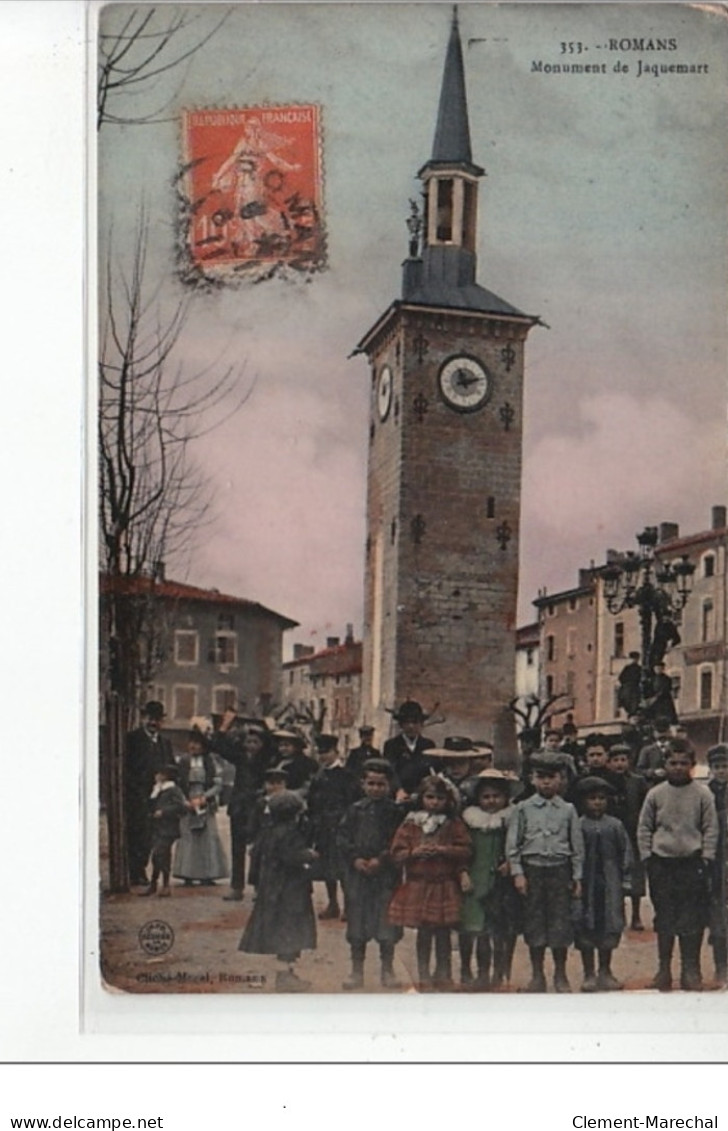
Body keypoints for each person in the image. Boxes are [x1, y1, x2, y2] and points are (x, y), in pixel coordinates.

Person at [637, 738, 719, 991]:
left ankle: (690, 970)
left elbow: (710, 828)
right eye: (673, 762)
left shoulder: (703, 794)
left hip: (691, 864)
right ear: (665, 764)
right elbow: (644, 827)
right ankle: (664, 969)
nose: (678, 767)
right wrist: (647, 857)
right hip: (662, 864)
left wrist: (706, 857)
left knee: (692, 918)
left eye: (684, 763)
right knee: (665, 918)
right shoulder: (656, 794)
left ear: (693, 765)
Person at [506, 753, 584, 993]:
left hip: (559, 871)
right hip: (533, 871)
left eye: (552, 777)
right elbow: (512, 846)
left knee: (560, 924)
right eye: (541, 777)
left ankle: (560, 975)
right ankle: (537, 976)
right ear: (532, 779)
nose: (546, 783)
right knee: (535, 922)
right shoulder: (523, 809)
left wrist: (577, 876)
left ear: (561, 779)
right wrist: (518, 874)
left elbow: (577, 847)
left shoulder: (569, 810)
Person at [388, 775, 472, 990]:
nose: (434, 802)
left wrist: (444, 850)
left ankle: (443, 973)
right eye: (430, 797)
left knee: (443, 931)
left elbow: (466, 850)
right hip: (419, 883)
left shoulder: (453, 823)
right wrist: (413, 852)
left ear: (448, 801)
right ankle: (423, 974)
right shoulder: (411, 822)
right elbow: (396, 852)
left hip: (444, 883)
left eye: (440, 798)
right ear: (421, 798)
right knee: (424, 932)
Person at [238, 790, 319, 992]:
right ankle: (285, 976)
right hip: (290, 891)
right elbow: (292, 857)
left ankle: (286, 974)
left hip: (271, 890)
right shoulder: (290, 833)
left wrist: (256, 883)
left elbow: (256, 859)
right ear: (295, 814)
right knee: (290, 932)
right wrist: (309, 855)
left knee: (281, 932)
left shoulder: (267, 831)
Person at [337, 759, 405, 990]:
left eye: (381, 784)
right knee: (357, 923)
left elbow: (399, 841)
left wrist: (382, 859)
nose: (376, 788)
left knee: (387, 924)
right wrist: (355, 858)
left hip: (385, 876)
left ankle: (388, 969)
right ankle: (356, 971)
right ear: (363, 784)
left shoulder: (395, 812)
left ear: (389, 785)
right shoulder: (354, 810)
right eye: (371, 783)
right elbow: (343, 838)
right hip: (359, 876)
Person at [459, 771, 520, 990]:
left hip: (501, 883)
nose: (491, 801)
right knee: (476, 928)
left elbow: (519, 844)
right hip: (476, 879)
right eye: (486, 796)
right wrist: (463, 871)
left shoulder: (511, 819)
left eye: (497, 796)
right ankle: (478, 973)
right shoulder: (471, 820)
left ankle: (500, 973)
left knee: (500, 930)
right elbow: (462, 849)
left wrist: (512, 862)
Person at [574, 777, 632, 992]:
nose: (597, 803)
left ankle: (605, 971)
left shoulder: (615, 825)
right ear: (583, 802)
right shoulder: (578, 825)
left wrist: (625, 880)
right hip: (585, 882)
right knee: (585, 924)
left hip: (610, 882)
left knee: (609, 924)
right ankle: (588, 973)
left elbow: (625, 853)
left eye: (601, 798)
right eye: (592, 798)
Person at [211, 711, 273, 902]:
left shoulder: (266, 759)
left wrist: (270, 726)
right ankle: (236, 887)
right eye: (248, 742)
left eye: (256, 742)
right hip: (239, 807)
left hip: (258, 807)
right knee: (237, 848)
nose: (252, 746)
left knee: (259, 849)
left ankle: (258, 887)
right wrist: (224, 726)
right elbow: (218, 746)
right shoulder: (239, 757)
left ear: (262, 745)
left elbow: (277, 744)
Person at [307, 734, 361, 920]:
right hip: (323, 827)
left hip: (342, 826)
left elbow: (354, 801)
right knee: (328, 868)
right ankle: (333, 904)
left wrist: (347, 823)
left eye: (327, 752)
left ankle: (349, 907)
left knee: (345, 869)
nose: (323, 756)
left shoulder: (347, 775)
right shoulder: (318, 777)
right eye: (320, 752)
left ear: (336, 752)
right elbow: (312, 802)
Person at [125, 701, 175, 885]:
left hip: (159, 798)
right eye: (150, 718)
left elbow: (172, 770)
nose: (153, 723)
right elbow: (127, 769)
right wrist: (136, 792)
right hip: (138, 796)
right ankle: (136, 871)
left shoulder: (165, 743)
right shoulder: (132, 739)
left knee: (154, 836)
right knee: (138, 833)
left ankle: (144, 870)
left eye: (157, 719)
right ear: (144, 718)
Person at [173, 730, 228, 887]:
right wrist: (185, 801)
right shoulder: (183, 761)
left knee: (207, 837)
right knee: (188, 837)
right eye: (191, 742)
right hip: (188, 801)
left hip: (205, 802)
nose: (193, 746)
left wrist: (205, 797)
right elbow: (177, 783)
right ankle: (187, 874)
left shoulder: (210, 761)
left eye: (197, 743)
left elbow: (218, 784)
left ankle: (208, 874)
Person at [606, 743, 648, 931]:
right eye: (615, 760)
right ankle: (619, 914)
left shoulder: (638, 781)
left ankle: (637, 915)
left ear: (629, 762)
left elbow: (645, 806)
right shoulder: (607, 782)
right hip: (613, 833)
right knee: (615, 874)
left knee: (636, 874)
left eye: (623, 760)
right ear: (609, 763)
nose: (619, 764)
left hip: (633, 832)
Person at [139, 763, 188, 898]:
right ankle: (156, 884)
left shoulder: (173, 790)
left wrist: (164, 812)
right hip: (157, 826)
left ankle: (163, 884)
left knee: (161, 854)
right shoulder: (158, 789)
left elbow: (181, 806)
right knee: (159, 856)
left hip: (168, 827)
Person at [382, 700, 437, 801]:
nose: (411, 726)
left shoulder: (428, 744)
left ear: (421, 724)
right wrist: (398, 790)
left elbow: (435, 771)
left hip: (423, 796)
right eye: (407, 722)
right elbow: (390, 771)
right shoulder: (392, 745)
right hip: (399, 796)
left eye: (415, 722)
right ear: (401, 725)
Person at [706, 744, 728, 986]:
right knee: (718, 916)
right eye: (718, 767)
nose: (722, 771)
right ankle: (720, 966)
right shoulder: (705, 794)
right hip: (714, 861)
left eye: (725, 766)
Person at [272, 729, 319, 794]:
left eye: (286, 745)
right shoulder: (276, 762)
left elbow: (308, 787)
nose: (283, 748)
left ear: (296, 746)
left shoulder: (306, 763)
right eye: (280, 745)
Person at [636, 718, 673, 785]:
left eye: (664, 731)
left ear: (669, 731)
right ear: (654, 733)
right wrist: (653, 772)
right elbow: (639, 770)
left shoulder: (676, 747)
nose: (662, 734)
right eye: (659, 731)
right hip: (654, 785)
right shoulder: (646, 750)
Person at [642, 662, 678, 726]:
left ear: (663, 669)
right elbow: (649, 689)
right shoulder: (652, 679)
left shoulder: (667, 679)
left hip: (664, 700)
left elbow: (665, 689)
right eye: (656, 668)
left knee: (667, 716)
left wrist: (656, 697)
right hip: (654, 701)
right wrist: (649, 698)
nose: (657, 670)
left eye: (659, 668)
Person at [617, 652, 643, 718]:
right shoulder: (627, 668)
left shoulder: (640, 668)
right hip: (628, 687)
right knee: (626, 700)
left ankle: (633, 714)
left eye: (636, 659)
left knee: (635, 702)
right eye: (633, 659)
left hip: (635, 688)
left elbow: (642, 678)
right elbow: (621, 678)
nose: (634, 660)